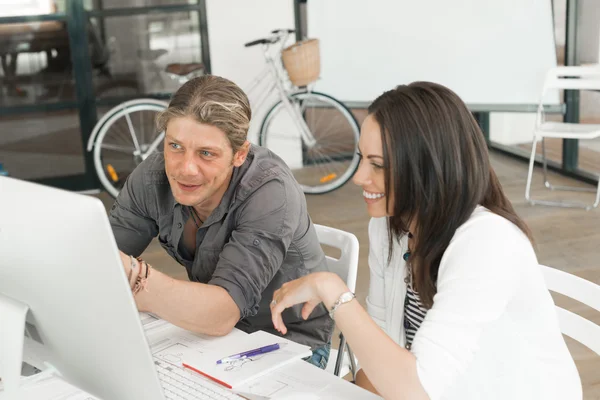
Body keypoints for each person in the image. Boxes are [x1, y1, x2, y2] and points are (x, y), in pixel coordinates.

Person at [269, 82, 582, 399]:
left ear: (427, 167)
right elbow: (381, 343)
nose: (359, 177)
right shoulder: (389, 227)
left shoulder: (487, 242)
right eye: (361, 158)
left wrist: (332, 290)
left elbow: (418, 389)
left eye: (377, 164)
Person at [109, 75, 333, 369]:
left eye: (206, 153)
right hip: (208, 337)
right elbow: (101, 261)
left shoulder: (270, 190)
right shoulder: (154, 175)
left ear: (239, 154)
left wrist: (137, 277)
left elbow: (222, 313)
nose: (186, 169)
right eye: (175, 146)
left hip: (287, 343)